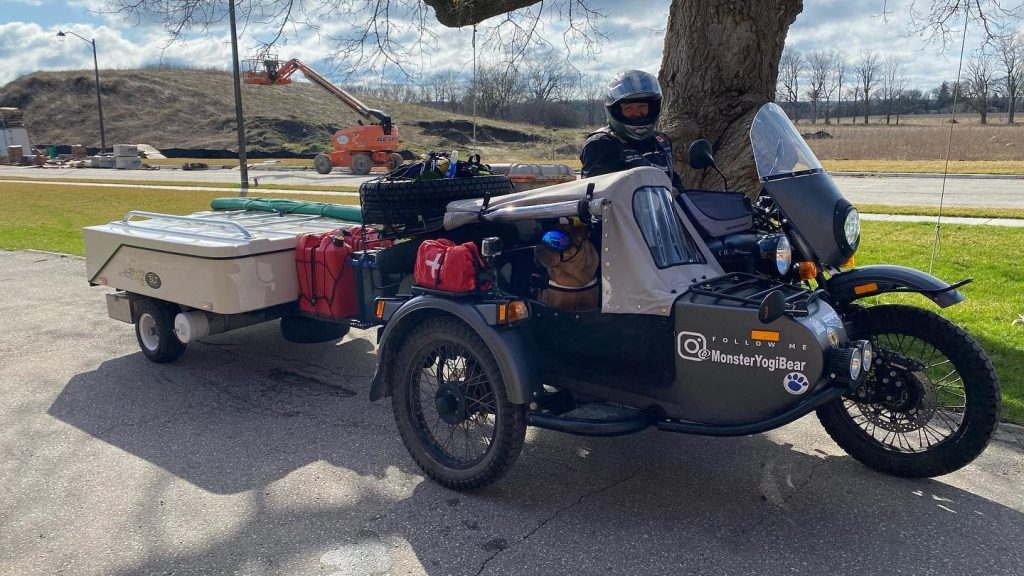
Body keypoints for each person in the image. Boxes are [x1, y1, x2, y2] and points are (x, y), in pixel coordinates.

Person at [579, 70, 683, 190]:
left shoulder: (661, 141)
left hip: (664, 208)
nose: (636, 113)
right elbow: (597, 194)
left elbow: (675, 184)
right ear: (615, 110)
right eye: (628, 108)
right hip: (626, 208)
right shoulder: (601, 143)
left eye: (642, 106)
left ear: (652, 107)